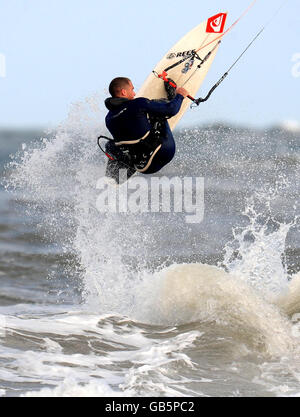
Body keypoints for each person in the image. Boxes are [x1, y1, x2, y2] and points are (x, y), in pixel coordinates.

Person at [104, 77, 189, 183]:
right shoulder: (138, 104)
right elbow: (171, 110)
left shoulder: (109, 118)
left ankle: (115, 178)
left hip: (144, 168)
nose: (134, 93)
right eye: (132, 89)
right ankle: (170, 98)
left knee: (110, 145)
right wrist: (180, 96)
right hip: (164, 152)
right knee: (156, 112)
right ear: (124, 92)